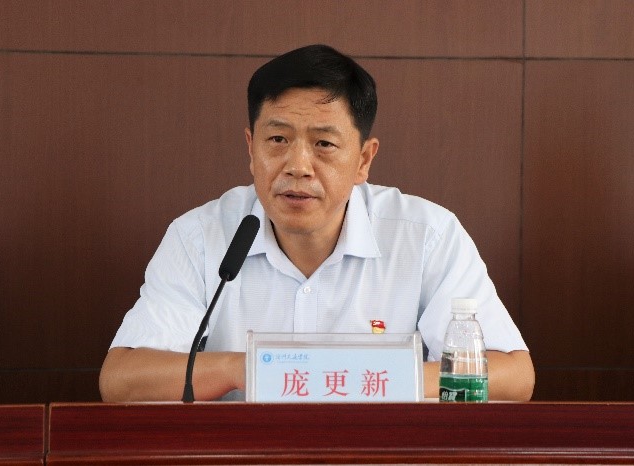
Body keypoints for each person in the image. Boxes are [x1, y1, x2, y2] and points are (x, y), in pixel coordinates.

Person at [99, 44, 534, 402]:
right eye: (277, 139)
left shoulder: (426, 236)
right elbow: (122, 380)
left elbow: (512, 376)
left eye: (324, 144)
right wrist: (243, 369)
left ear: (363, 159)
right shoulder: (199, 237)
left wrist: (367, 376)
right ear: (251, 149)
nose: (298, 166)